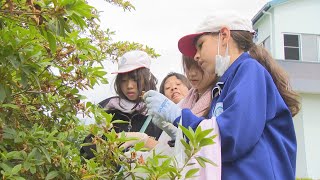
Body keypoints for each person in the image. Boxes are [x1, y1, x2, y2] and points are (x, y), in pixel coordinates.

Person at [143, 11, 300, 179]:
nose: (196, 56)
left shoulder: (249, 70)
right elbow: (217, 142)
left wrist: (179, 118)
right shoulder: (225, 85)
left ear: (224, 36)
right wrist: (181, 136)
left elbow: (233, 134)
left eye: (200, 45)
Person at [81, 50, 162, 160]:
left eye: (135, 80)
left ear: (147, 79)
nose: (129, 86)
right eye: (124, 81)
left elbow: (170, 153)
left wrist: (144, 141)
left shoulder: (159, 112)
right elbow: (86, 152)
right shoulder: (108, 109)